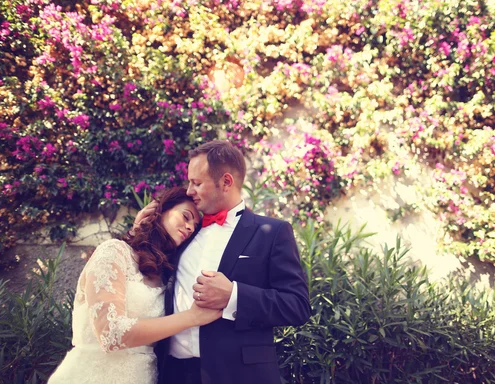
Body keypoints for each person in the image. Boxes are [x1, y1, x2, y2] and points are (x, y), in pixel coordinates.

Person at [134, 140, 311, 384]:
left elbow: (297, 305)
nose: (188, 191)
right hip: (173, 373)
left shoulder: (272, 232)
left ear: (226, 182)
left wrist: (233, 295)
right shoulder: (186, 231)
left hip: (239, 375)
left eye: (197, 183)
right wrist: (144, 226)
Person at [48, 187, 222, 384]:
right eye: (186, 216)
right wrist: (192, 317)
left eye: (194, 225)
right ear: (160, 210)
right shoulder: (114, 252)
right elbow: (110, 332)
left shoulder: (167, 276)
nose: (190, 227)